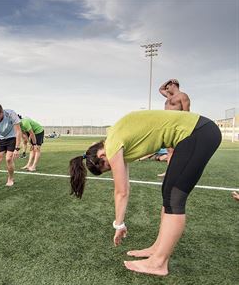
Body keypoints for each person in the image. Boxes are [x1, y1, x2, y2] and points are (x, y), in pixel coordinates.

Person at [69, 110, 221, 276]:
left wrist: (118, 225)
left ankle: (159, 263)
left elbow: (122, 191)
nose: (113, 166)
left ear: (102, 155)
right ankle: (157, 249)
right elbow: (125, 185)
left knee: (174, 198)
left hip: (197, 133)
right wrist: (119, 222)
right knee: (168, 193)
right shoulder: (114, 137)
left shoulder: (112, 145)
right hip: (198, 132)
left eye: (108, 166)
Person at [157, 79, 191, 177]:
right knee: (170, 150)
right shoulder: (168, 96)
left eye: (168, 87)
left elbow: (186, 113)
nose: (166, 90)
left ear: (173, 85)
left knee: (179, 150)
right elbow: (160, 89)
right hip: (167, 125)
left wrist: (183, 128)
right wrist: (167, 81)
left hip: (177, 126)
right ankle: (169, 172)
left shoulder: (183, 96)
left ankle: (182, 172)